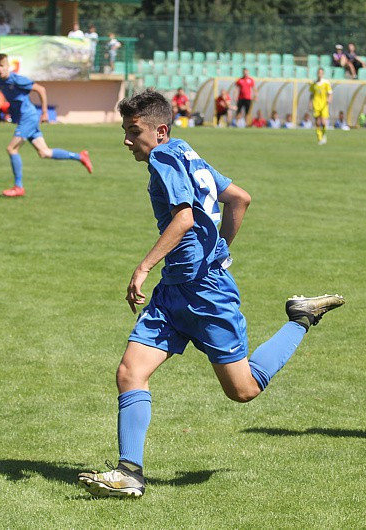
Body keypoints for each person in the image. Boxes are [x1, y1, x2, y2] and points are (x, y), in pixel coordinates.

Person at [76, 89, 345, 498]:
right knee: (131, 372)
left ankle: (301, 318)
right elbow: (239, 198)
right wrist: (220, 248)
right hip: (175, 290)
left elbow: (184, 217)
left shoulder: (163, 156)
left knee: (244, 389)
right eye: (125, 131)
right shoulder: (185, 151)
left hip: (206, 292)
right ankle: (129, 472)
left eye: (134, 131)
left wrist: (144, 266)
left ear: (160, 130)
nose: (127, 140)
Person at [0, 53, 93, 197]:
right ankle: (80, 157)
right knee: (44, 152)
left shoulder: (17, 79)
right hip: (23, 119)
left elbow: (41, 89)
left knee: (11, 149)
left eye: (2, 66)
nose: (0, 69)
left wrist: (44, 112)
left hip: (28, 117)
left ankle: (18, 187)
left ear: (8, 66)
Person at [309, 67, 332, 145]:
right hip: (316, 104)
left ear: (323, 74)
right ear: (317, 73)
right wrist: (310, 103)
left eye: (321, 73)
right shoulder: (314, 84)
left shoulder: (326, 83)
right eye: (319, 72)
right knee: (318, 123)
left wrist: (329, 99)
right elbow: (311, 95)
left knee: (323, 122)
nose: (320, 74)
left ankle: (324, 134)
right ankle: (319, 138)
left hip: (324, 104)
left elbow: (330, 93)